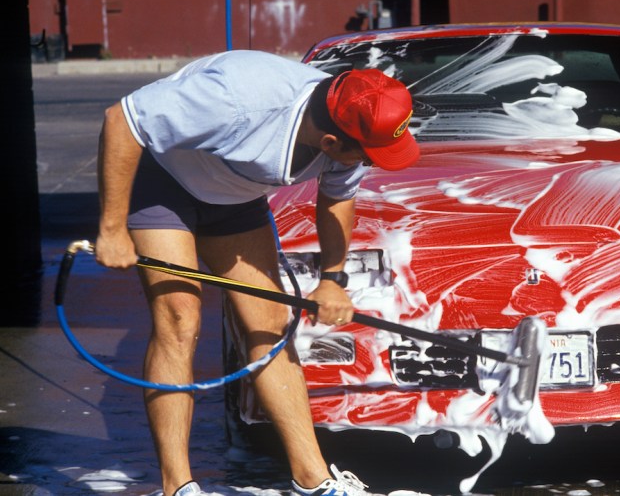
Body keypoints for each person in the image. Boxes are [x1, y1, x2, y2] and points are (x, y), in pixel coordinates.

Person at [93, 50, 419, 496]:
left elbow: (337, 199)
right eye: (368, 156)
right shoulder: (235, 99)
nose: (370, 163)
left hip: (234, 195)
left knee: (268, 322)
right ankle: (178, 487)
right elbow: (122, 119)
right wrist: (112, 229)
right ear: (330, 142)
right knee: (180, 318)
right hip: (163, 178)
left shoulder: (348, 127)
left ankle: (314, 479)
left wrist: (333, 279)